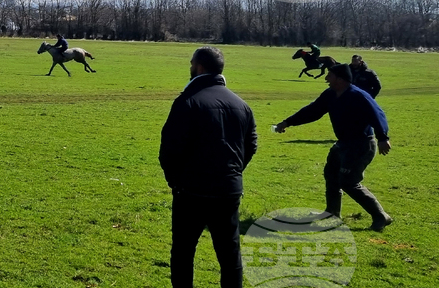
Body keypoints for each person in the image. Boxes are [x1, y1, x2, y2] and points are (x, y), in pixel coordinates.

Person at [160, 46, 258, 288]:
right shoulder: (242, 104)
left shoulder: (187, 101)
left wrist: (175, 180)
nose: (190, 67)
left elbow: (170, 148)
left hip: (191, 190)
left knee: (183, 251)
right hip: (228, 189)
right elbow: (251, 145)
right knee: (229, 253)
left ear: (200, 67)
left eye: (192, 63)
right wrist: (232, 172)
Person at [275, 62, 393, 231]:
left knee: (349, 182)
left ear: (340, 78)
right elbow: (313, 110)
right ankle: (332, 213)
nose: (326, 78)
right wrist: (288, 122)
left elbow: (377, 114)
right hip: (342, 144)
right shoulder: (331, 94)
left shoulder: (358, 95)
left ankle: (381, 216)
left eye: (329, 75)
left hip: (361, 145)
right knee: (331, 175)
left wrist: (383, 137)